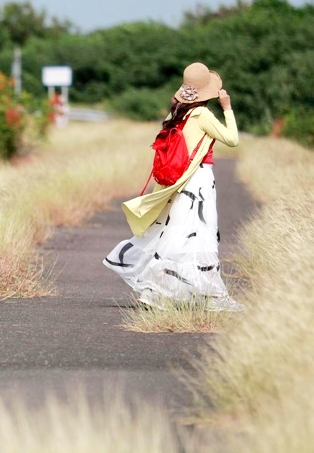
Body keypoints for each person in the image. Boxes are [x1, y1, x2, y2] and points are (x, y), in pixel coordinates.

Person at [103, 62, 243, 311]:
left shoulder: (177, 114)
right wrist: (227, 108)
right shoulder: (202, 115)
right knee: (202, 234)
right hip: (198, 182)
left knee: (173, 233)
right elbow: (232, 139)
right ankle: (213, 296)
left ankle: (155, 292)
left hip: (176, 183)